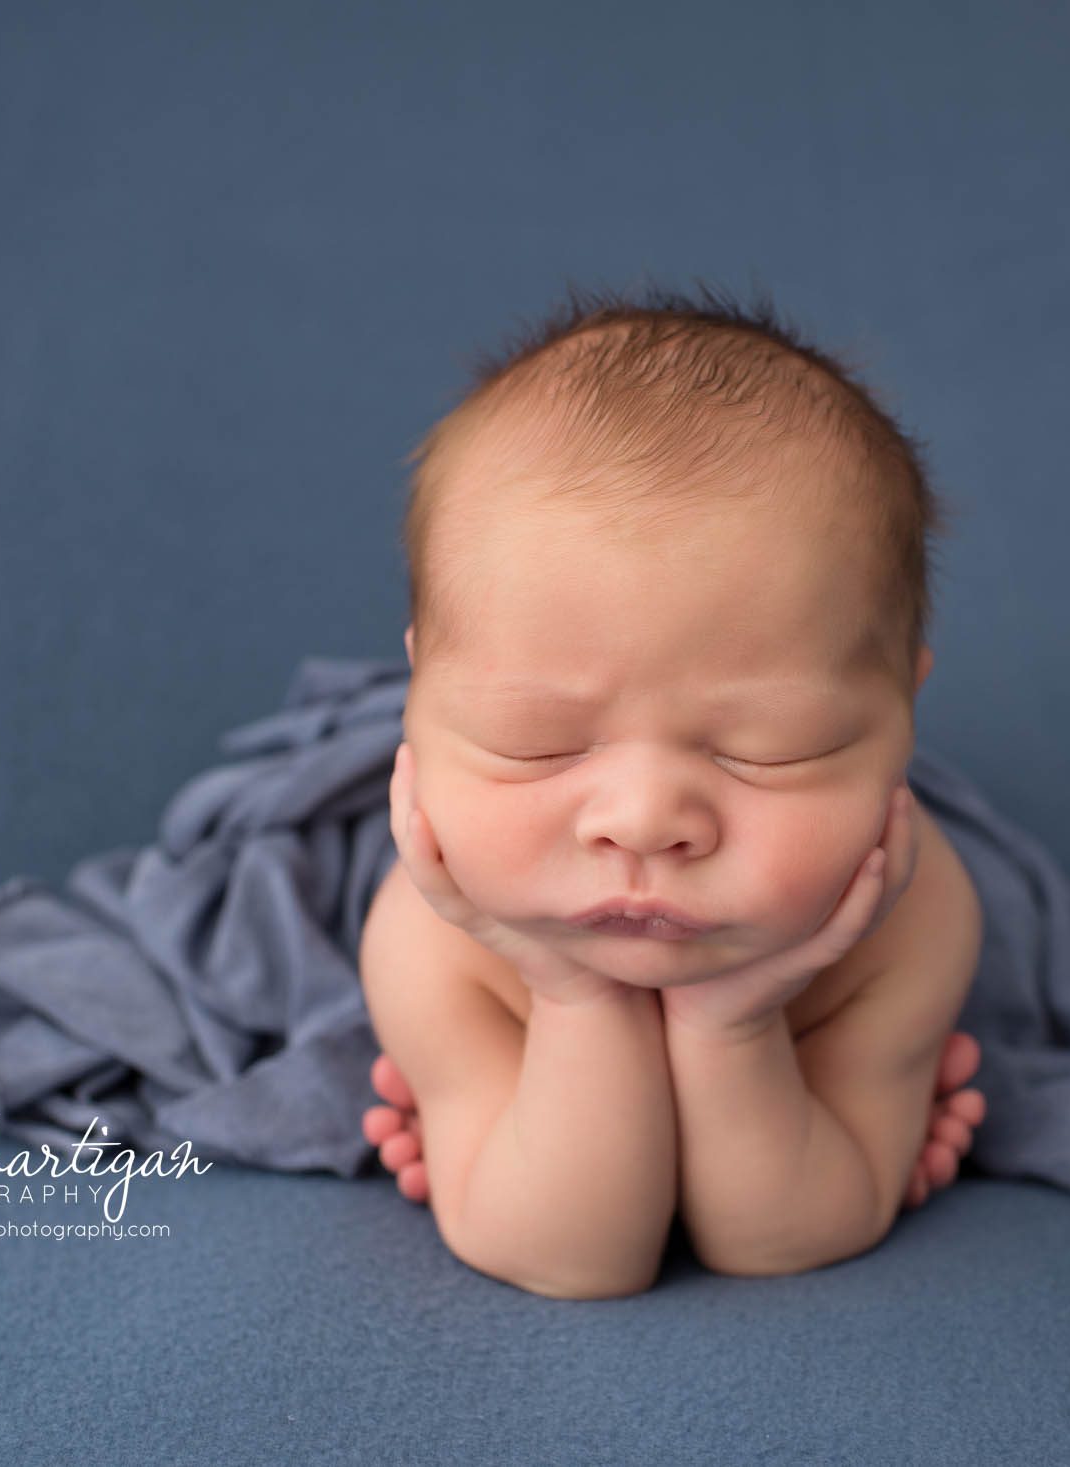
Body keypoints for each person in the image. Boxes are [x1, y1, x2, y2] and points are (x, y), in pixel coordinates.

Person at [356, 282, 988, 1298]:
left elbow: (783, 1239)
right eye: (535, 743)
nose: (643, 821)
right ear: (420, 692)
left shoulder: (906, 917)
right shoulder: (433, 935)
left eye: (769, 748)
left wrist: (730, 1019)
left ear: (901, 713)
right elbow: (569, 1258)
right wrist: (565, 992)